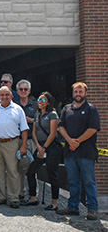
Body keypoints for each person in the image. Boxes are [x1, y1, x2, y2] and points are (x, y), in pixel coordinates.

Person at [57, 82, 100, 221]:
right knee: (73, 181)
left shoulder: (91, 109)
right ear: (73, 93)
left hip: (86, 153)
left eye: (81, 92)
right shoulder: (66, 109)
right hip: (70, 152)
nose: (78, 94)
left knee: (89, 182)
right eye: (76, 92)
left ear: (85, 93)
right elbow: (60, 127)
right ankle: (73, 207)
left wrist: (77, 141)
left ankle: (92, 210)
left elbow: (93, 128)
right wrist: (69, 141)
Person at [0, 86, 29, 209]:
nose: (4, 97)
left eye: (7, 95)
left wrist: (24, 145)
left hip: (12, 142)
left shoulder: (18, 109)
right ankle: (1, 197)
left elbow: (24, 129)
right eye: (2, 95)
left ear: (11, 96)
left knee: (13, 171)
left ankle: (13, 198)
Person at [23, 92, 61, 211]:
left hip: (51, 147)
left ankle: (55, 202)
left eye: (43, 100)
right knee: (31, 171)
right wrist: (39, 147)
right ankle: (33, 197)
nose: (40, 102)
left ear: (48, 102)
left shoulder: (52, 114)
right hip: (39, 145)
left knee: (52, 174)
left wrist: (44, 147)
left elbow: (53, 133)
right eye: (39, 99)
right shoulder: (37, 114)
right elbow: (33, 132)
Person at [15, 79, 37, 201]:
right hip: (16, 139)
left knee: (30, 167)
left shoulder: (35, 105)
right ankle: (20, 193)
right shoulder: (13, 105)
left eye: (25, 89)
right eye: (21, 89)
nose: (23, 91)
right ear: (17, 91)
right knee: (17, 168)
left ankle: (33, 194)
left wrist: (31, 121)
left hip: (31, 140)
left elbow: (42, 122)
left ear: (29, 91)